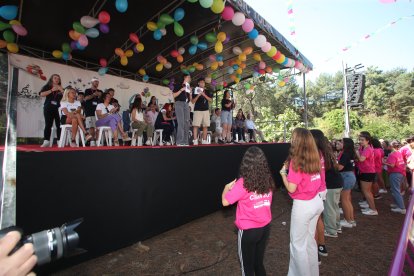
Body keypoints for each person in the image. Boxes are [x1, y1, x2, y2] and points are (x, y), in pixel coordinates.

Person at [222, 146, 274, 276]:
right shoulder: (268, 180)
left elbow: (225, 202)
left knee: (247, 268)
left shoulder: (243, 183)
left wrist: (226, 188)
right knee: (258, 264)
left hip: (249, 231)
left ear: (245, 163)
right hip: (265, 229)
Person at [279, 128, 324, 276]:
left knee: (297, 245)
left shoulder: (296, 161)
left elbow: (291, 188)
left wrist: (283, 175)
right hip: (316, 202)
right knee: (310, 241)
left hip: (303, 205)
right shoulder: (315, 156)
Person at [310, 130, 343, 240]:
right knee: (334, 206)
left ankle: (331, 230)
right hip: (336, 182)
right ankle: (336, 226)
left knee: (329, 208)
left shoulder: (320, 152)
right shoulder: (327, 150)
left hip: (331, 184)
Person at [355, 131, 378, 216]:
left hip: (367, 172)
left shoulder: (367, 149)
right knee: (367, 191)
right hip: (366, 171)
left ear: (367, 141)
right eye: (360, 140)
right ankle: (371, 207)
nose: (360, 141)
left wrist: (357, 153)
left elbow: (361, 159)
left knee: (367, 191)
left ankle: (373, 209)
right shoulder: (365, 148)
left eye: (362, 140)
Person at [39, 74, 64, 147]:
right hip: (48, 108)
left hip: (58, 109)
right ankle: (46, 141)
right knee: (48, 124)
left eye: (58, 79)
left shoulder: (61, 88)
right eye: (55, 78)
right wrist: (51, 90)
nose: (57, 79)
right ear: (51, 79)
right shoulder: (47, 86)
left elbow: (66, 98)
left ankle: (60, 140)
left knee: (59, 125)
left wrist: (62, 90)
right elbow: (41, 94)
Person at [338, 138, 357, 228]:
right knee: (347, 200)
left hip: (346, 176)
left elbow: (340, 167)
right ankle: (351, 220)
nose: (340, 143)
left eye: (341, 142)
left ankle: (348, 220)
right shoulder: (350, 153)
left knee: (344, 200)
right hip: (350, 176)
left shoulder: (345, 154)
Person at [384, 141, 407, 214]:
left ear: (390, 146)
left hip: (395, 173)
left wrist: (384, 162)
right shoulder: (398, 153)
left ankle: (401, 207)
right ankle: (398, 205)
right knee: (396, 189)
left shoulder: (392, 154)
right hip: (401, 173)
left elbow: (392, 165)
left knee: (396, 190)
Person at [191, 78, 212, 145]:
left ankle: (204, 140)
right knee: (196, 125)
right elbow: (192, 101)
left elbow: (210, 100)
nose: (202, 83)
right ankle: (195, 140)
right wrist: (198, 95)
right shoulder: (195, 90)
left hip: (206, 110)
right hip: (197, 110)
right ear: (198, 83)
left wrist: (204, 95)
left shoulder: (207, 91)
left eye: (203, 82)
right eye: (201, 82)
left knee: (205, 126)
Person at [173, 74, 192, 146]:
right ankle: (179, 141)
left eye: (190, 77)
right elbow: (174, 95)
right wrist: (182, 89)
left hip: (186, 104)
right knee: (181, 123)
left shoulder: (188, 86)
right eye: (188, 77)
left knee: (187, 123)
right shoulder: (178, 85)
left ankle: (185, 141)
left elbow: (189, 100)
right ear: (184, 77)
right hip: (179, 103)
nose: (190, 78)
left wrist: (190, 93)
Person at [84, 77, 103, 146]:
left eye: (97, 82)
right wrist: (94, 94)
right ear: (92, 82)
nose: (96, 83)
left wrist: (100, 96)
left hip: (98, 112)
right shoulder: (87, 90)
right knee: (91, 126)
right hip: (89, 111)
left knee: (98, 126)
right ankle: (92, 141)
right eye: (95, 81)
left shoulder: (100, 91)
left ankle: (98, 140)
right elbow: (86, 98)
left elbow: (103, 101)